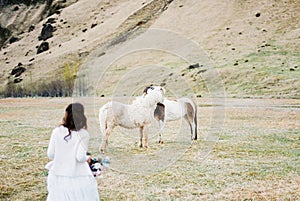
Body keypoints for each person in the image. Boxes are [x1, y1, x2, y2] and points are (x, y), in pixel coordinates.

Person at [46, 103, 100, 201]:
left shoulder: (57, 131)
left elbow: (50, 154)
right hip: (78, 176)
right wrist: (87, 158)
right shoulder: (83, 134)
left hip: (58, 174)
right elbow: (80, 157)